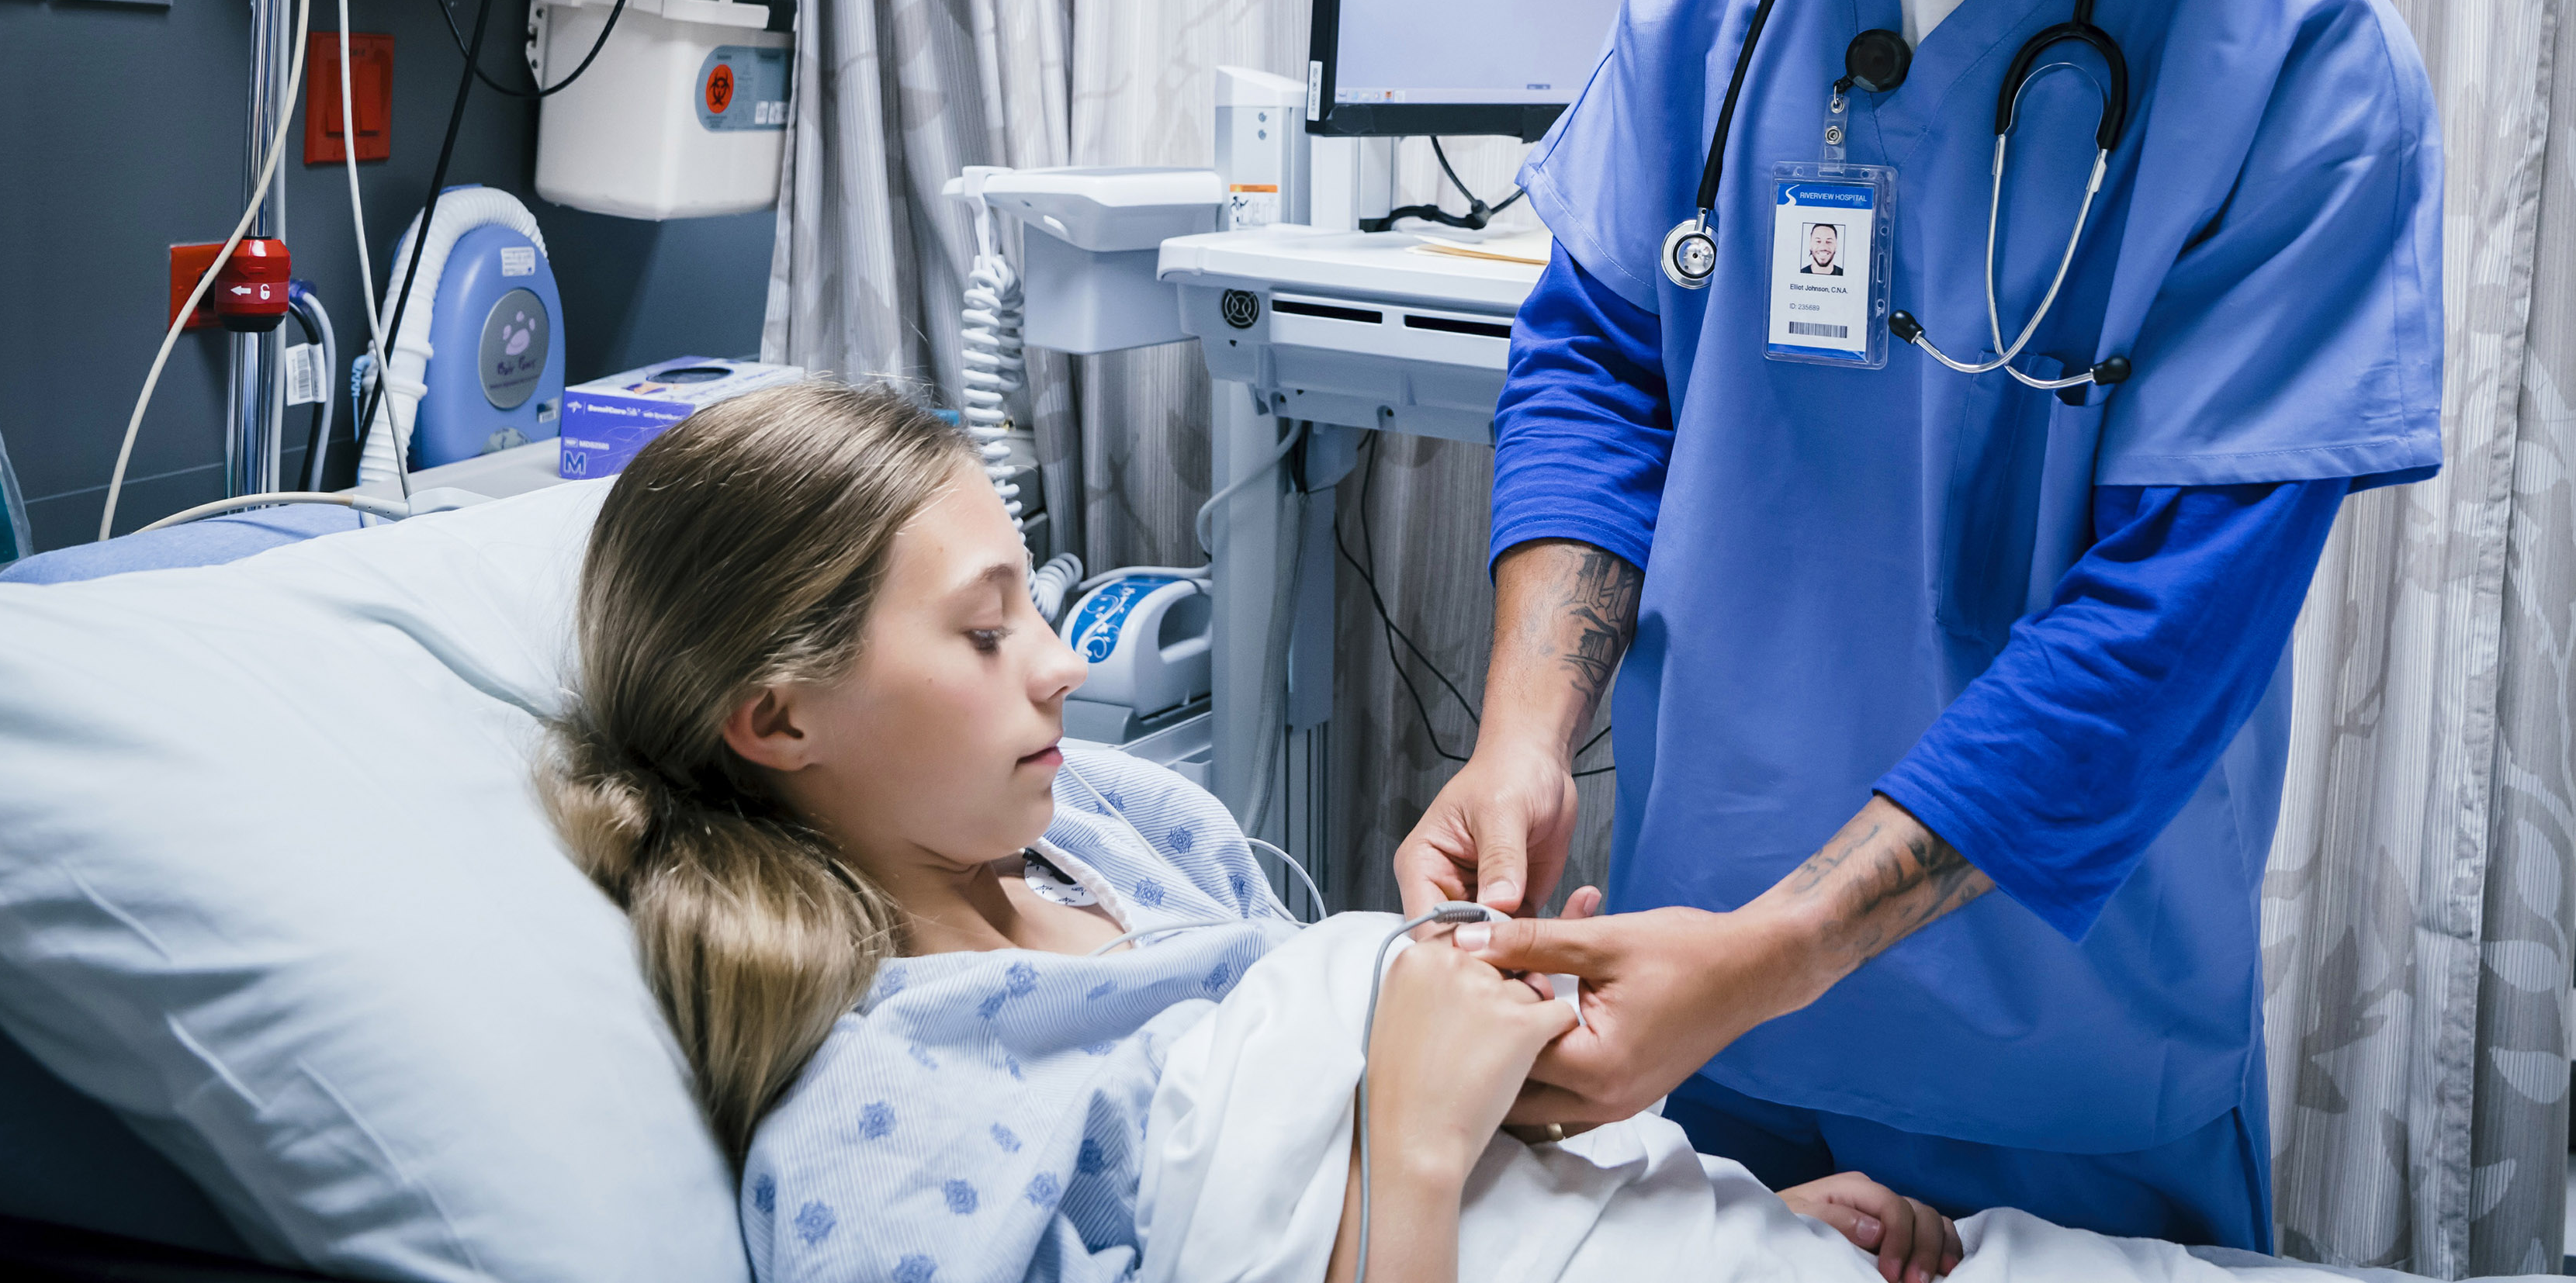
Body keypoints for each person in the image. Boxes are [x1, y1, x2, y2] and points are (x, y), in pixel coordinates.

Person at [1399, 0, 2445, 1250]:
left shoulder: (2300, 69)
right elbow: (1600, 355)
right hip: (1693, 1016)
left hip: (2061, 1068)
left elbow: (2169, 630)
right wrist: (1525, 730)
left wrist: (1782, 945)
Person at [539, 382, 1972, 1283]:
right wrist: (1412, 1136)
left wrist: (1723, 1208)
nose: (1063, 664)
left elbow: (1348, 1075)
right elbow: (1372, 1148)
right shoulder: (881, 1119)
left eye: (1037, 604)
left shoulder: (1119, 823)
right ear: (778, 721)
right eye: (984, 632)